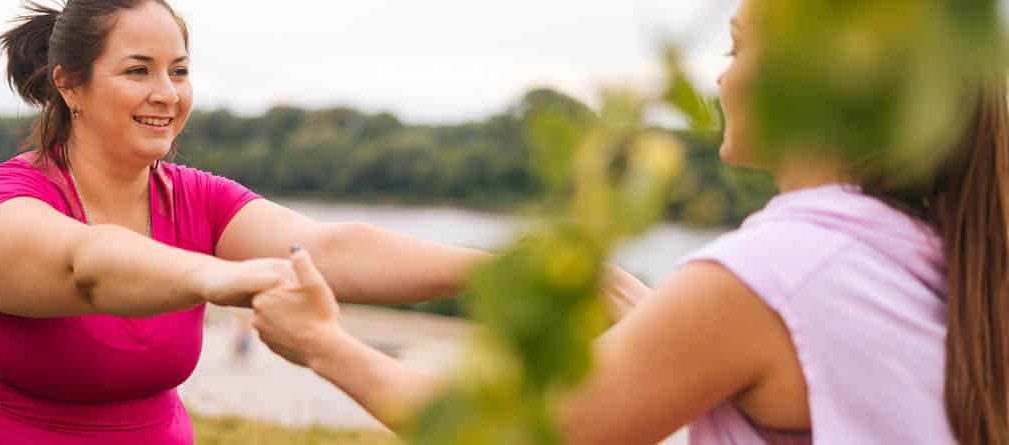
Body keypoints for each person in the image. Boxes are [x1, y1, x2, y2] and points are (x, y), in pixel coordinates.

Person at [250, 0, 1009, 443]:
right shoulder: (924, 247)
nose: (719, 75)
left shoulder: (781, 268)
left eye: (737, 47)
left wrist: (324, 343)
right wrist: (653, 309)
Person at [0, 1, 497, 443]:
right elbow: (86, 265)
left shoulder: (197, 199)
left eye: (179, 70)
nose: (168, 94)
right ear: (70, 84)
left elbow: (335, 247)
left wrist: (509, 271)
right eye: (138, 69)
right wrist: (219, 278)